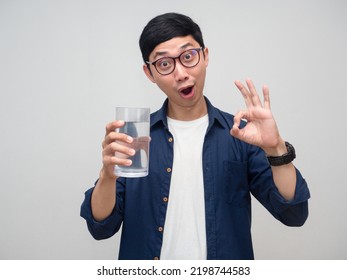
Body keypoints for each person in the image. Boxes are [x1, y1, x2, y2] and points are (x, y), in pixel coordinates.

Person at [80, 12, 310, 260]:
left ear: (205, 56)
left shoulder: (240, 134)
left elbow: (294, 214)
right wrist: (107, 175)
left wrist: (275, 148)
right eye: (165, 64)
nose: (180, 73)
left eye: (188, 56)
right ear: (149, 73)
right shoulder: (136, 136)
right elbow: (100, 227)